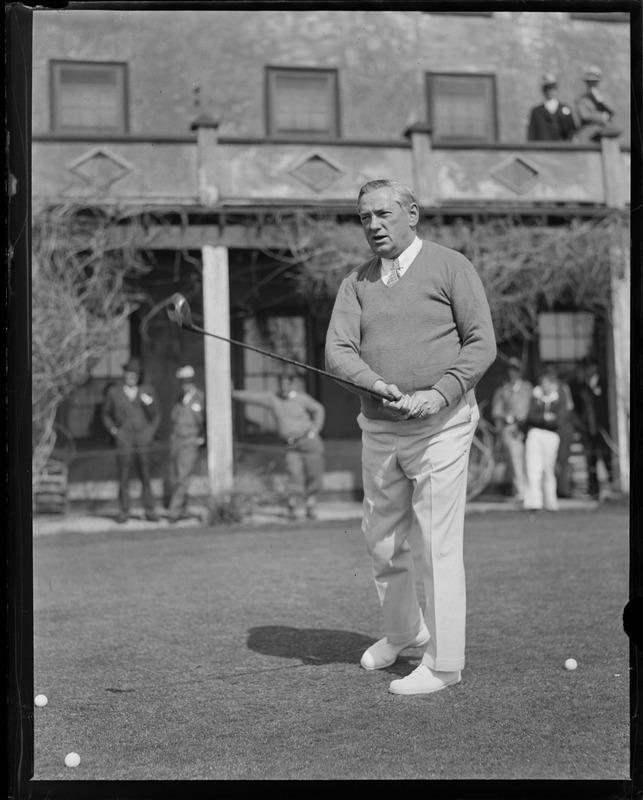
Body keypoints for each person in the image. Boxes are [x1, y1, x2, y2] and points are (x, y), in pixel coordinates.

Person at [325, 179, 496, 696]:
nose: (373, 226)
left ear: (412, 213)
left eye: (382, 214)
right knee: (382, 540)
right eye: (364, 218)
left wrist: (439, 393)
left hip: (441, 425)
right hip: (378, 427)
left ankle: (445, 663)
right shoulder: (357, 282)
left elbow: (481, 343)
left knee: (435, 544)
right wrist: (375, 383)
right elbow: (338, 350)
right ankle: (405, 633)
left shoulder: (450, 266)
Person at [232, 372, 326, 519]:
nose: (284, 388)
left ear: (293, 384)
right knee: (294, 473)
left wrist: (315, 430)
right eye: (281, 385)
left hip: (309, 442)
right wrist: (234, 393)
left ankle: (311, 505)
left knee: (313, 473)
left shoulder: (302, 398)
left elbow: (319, 409)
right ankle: (293, 505)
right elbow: (254, 397)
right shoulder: (273, 398)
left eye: (287, 385)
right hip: (290, 445)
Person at [102, 357, 162, 523]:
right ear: (125, 374)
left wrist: (150, 432)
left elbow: (157, 415)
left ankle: (150, 510)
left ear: (138, 376)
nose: (131, 376)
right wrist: (114, 430)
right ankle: (124, 511)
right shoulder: (114, 392)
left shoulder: (147, 390)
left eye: (134, 373)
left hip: (143, 437)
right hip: (124, 437)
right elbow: (105, 415)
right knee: (124, 474)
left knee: (146, 473)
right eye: (129, 373)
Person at [522, 369, 567, 512]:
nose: (544, 386)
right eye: (542, 384)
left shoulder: (560, 397)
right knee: (533, 467)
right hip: (535, 434)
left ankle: (550, 502)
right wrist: (544, 417)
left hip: (551, 435)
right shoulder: (536, 398)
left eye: (547, 383)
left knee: (548, 469)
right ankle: (533, 502)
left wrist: (542, 419)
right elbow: (530, 417)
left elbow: (558, 420)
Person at [569, 358, 613, 500]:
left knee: (607, 457)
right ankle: (594, 490)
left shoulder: (604, 383)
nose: (587, 370)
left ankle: (613, 486)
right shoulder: (581, 387)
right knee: (591, 460)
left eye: (589, 367)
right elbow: (577, 408)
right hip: (588, 429)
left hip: (602, 428)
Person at [167, 365, 206, 523]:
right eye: (183, 382)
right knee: (177, 476)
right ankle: (183, 508)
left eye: (188, 382)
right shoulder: (179, 399)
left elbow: (206, 420)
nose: (185, 385)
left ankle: (173, 512)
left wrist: (202, 438)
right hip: (176, 440)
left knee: (183, 476)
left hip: (190, 441)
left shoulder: (200, 397)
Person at [491, 357, 533, 502]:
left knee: (530, 460)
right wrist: (506, 416)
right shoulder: (503, 390)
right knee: (516, 461)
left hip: (528, 428)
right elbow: (496, 411)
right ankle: (520, 492)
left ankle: (531, 491)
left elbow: (534, 407)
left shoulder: (528, 388)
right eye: (511, 370)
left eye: (516, 370)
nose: (513, 373)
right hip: (511, 429)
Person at [527, 73, 577, 142]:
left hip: (562, 149)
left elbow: (571, 130)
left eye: (553, 88)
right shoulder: (536, 111)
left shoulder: (564, 108)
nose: (551, 91)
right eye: (548, 89)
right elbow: (532, 134)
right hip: (543, 149)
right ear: (544, 90)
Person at [574, 65, 616, 143]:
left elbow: (612, 112)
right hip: (588, 132)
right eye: (590, 82)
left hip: (605, 131)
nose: (592, 85)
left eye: (595, 82)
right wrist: (602, 116)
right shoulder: (581, 99)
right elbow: (584, 115)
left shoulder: (606, 97)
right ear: (586, 83)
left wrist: (599, 100)